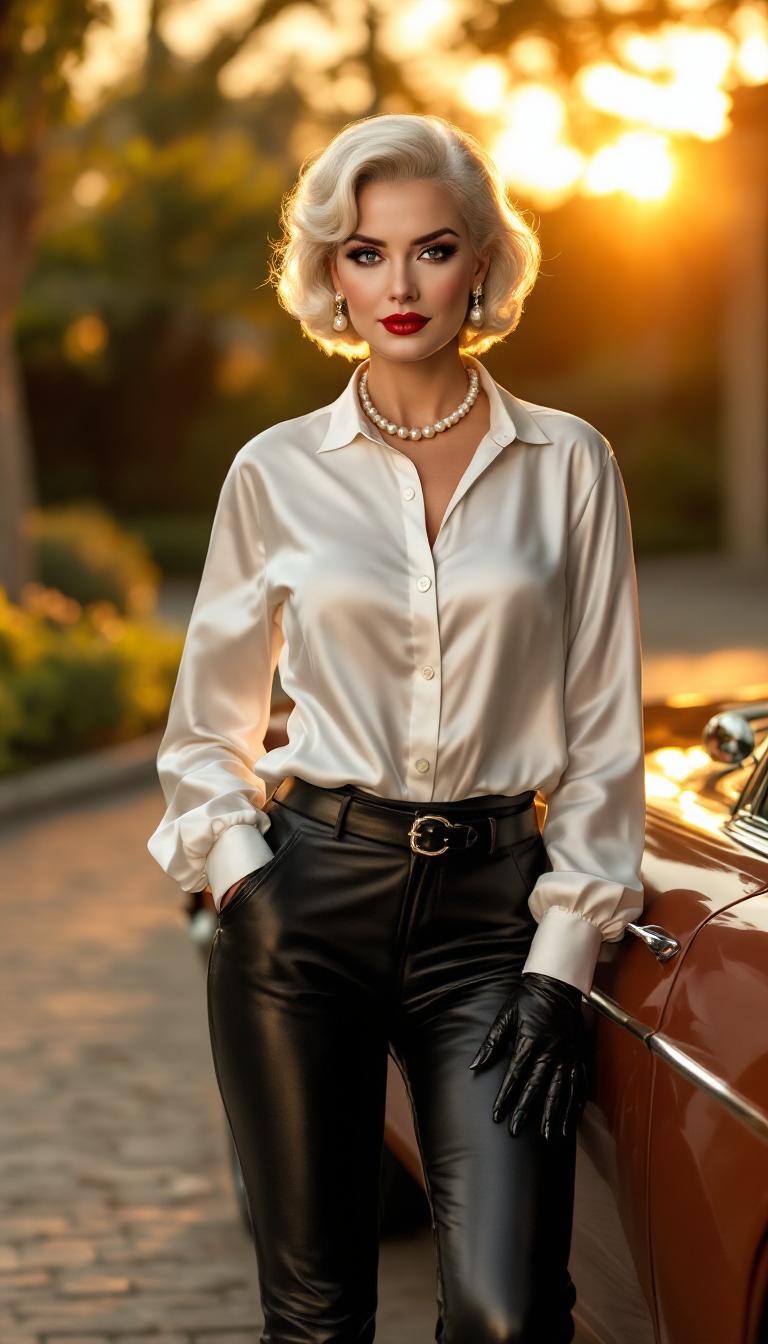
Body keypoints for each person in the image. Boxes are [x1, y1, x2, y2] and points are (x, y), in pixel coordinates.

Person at [147, 112, 646, 1344]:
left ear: (481, 261)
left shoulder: (569, 465)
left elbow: (603, 733)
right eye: (364, 254)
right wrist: (244, 885)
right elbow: (204, 729)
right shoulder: (275, 471)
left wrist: (562, 962)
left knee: (506, 1311)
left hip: (492, 926)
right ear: (330, 272)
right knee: (316, 1317)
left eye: (431, 250)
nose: (399, 284)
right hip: (306, 903)